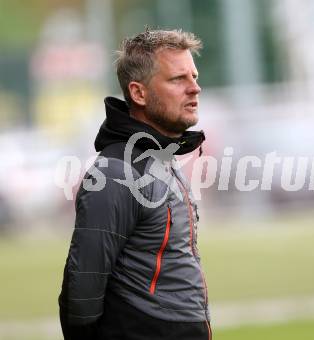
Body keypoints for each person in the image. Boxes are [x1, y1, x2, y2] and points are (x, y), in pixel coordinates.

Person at [59, 27, 211, 340]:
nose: (194, 88)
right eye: (177, 79)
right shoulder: (117, 174)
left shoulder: (161, 159)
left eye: (194, 77)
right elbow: (82, 296)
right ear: (138, 93)